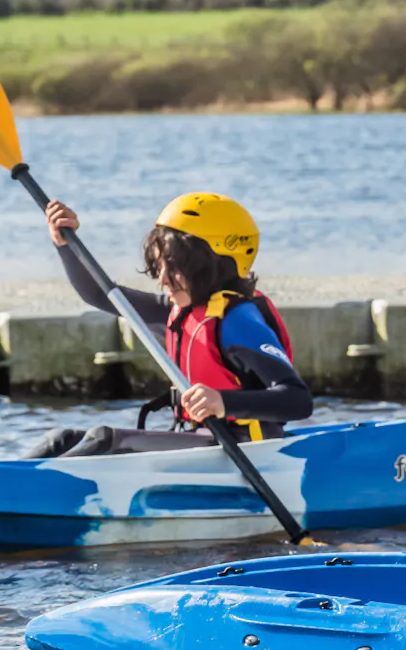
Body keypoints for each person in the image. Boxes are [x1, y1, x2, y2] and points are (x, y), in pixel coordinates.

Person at [24, 192, 314, 457]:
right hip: (201, 442)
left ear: (211, 263)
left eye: (173, 266)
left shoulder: (237, 320)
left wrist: (223, 402)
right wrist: (64, 244)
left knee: (105, 439)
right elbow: (100, 293)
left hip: (247, 448)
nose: (161, 279)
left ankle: (26, 496)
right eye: (158, 265)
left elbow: (297, 400)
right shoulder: (179, 310)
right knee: (60, 440)